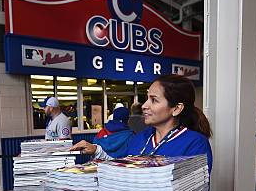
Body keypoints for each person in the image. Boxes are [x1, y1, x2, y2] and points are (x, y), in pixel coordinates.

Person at [71, 74, 213, 173]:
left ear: (176, 108)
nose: (144, 105)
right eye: (146, 98)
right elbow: (124, 166)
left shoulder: (195, 143)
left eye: (154, 100)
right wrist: (97, 150)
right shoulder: (140, 138)